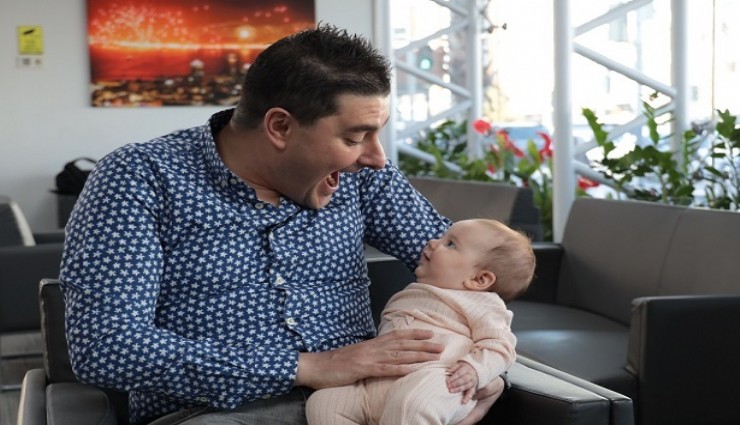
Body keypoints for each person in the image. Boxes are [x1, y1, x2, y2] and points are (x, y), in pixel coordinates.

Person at [60, 24, 505, 425]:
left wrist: (481, 373)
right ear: (279, 127)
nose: (376, 157)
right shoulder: (141, 177)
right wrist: (307, 367)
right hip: (215, 411)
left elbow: (473, 272)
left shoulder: (363, 177)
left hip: (371, 403)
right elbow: (107, 346)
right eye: (354, 137)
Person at [305, 219, 534, 425]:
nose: (432, 242)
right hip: (374, 385)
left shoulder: (483, 304)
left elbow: (501, 346)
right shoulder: (414, 291)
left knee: (412, 405)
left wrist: (476, 370)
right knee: (324, 403)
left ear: (479, 279)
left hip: (438, 381)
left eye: (450, 244)